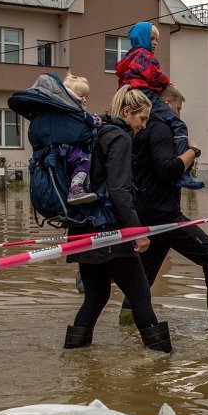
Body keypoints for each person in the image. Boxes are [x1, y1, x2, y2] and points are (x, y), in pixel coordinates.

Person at [64, 85, 172, 352]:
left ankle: (74, 356)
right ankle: (163, 359)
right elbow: (119, 190)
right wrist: (137, 231)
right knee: (140, 295)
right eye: (142, 118)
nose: (143, 126)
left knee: (96, 297)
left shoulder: (97, 132)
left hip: (84, 230)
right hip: (111, 233)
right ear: (127, 112)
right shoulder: (120, 138)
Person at [120, 83, 208, 328]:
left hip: (145, 214)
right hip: (163, 215)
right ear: (168, 104)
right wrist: (193, 151)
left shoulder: (141, 129)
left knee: (142, 279)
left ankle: (127, 328)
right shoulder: (160, 127)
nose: (179, 115)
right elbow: (167, 168)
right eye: (178, 109)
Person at [115, 21, 205, 189]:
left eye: (157, 39)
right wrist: (165, 83)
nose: (155, 43)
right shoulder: (144, 56)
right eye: (152, 38)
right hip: (146, 95)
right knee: (179, 125)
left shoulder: (129, 57)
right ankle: (183, 173)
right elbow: (153, 75)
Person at [61, 74, 99, 205]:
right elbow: (89, 120)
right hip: (72, 148)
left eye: (86, 97)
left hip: (64, 147)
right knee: (83, 162)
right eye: (81, 95)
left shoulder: (62, 109)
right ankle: (75, 190)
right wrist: (97, 120)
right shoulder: (75, 111)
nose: (84, 99)